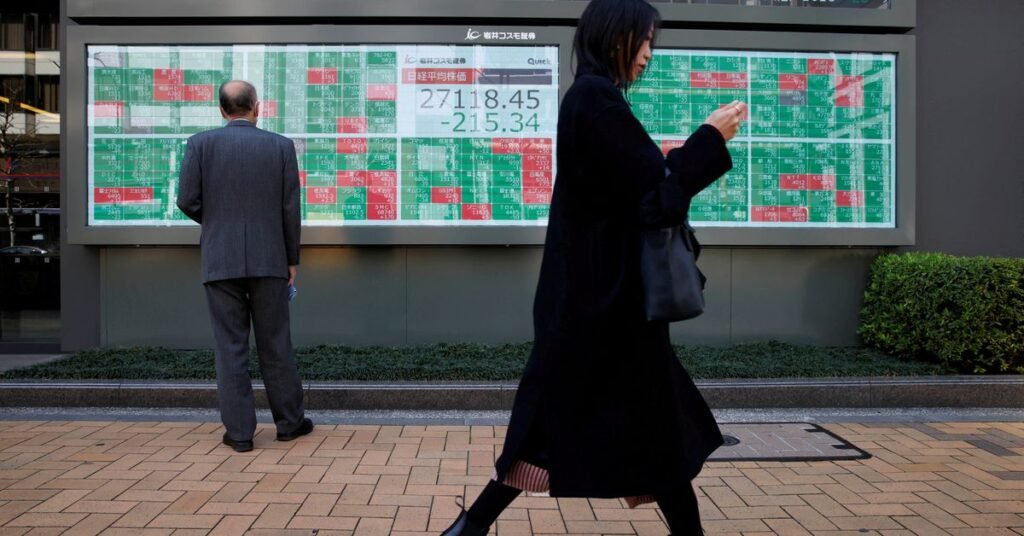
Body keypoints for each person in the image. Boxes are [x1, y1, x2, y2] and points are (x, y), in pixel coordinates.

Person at [441, 0, 744, 534]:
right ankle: (472, 526)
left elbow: (634, 192)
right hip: (610, 311)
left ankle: (472, 526)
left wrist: (677, 158)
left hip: (593, 306)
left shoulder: (588, 99)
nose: (649, 54)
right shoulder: (598, 101)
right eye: (643, 40)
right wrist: (710, 140)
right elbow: (658, 200)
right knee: (652, 430)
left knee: (621, 428)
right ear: (614, 36)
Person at [177, 80, 313, 453]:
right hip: (270, 258)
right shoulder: (281, 146)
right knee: (275, 343)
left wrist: (218, 222)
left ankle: (239, 434)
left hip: (220, 259)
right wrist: (290, 259)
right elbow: (290, 208)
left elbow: (187, 200)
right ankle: (289, 423)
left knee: (230, 346)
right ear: (257, 107)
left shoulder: (200, 144)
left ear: (222, 110)